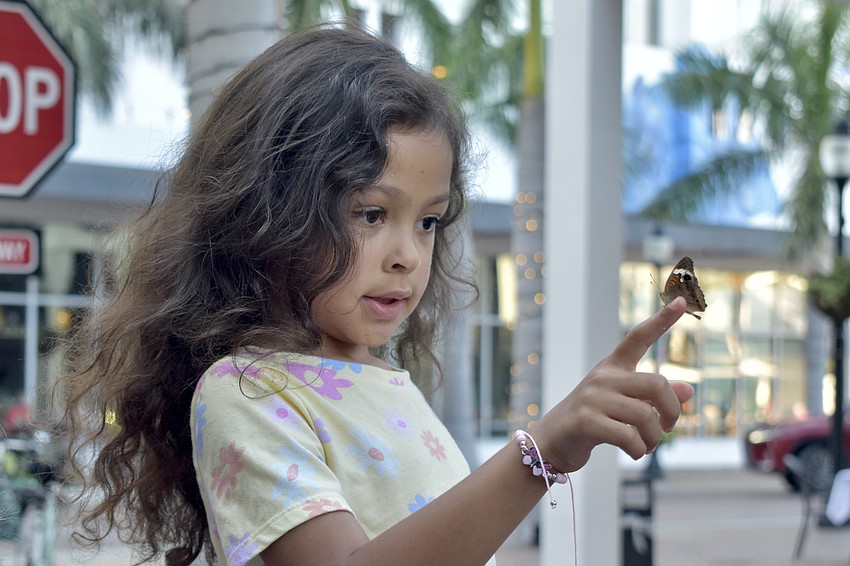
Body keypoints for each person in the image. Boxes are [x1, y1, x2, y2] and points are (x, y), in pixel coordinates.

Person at [56, 24, 693, 566]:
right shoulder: (246, 390)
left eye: (428, 221)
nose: (407, 254)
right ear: (270, 213)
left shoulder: (383, 377)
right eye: (369, 213)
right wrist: (541, 451)